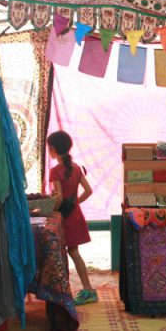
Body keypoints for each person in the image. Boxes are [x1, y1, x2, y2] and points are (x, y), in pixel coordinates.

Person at [46, 130, 97, 305]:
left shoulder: (55, 171)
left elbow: (58, 197)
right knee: (73, 251)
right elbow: (88, 191)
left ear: (52, 148)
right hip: (75, 214)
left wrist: (48, 210)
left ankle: (82, 290)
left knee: (66, 253)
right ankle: (87, 289)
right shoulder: (76, 167)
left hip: (64, 217)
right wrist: (75, 202)